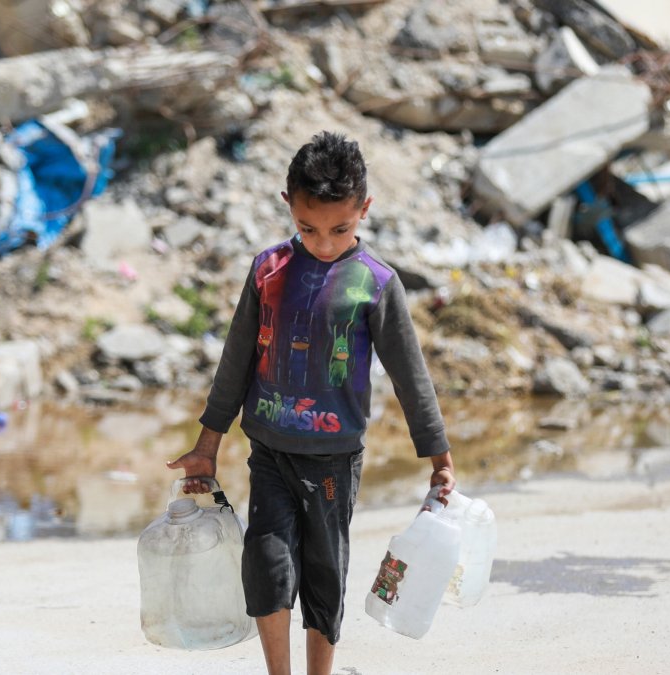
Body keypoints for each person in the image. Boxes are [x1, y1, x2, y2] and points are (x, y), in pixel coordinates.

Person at [167, 130, 454, 675]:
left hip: (333, 458)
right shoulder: (268, 270)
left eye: (340, 229)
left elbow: (410, 376)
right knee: (266, 563)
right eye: (308, 228)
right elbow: (236, 361)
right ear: (288, 208)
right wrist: (208, 444)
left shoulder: (375, 283)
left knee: (324, 573)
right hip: (270, 451)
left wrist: (439, 459)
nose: (323, 243)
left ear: (364, 210)